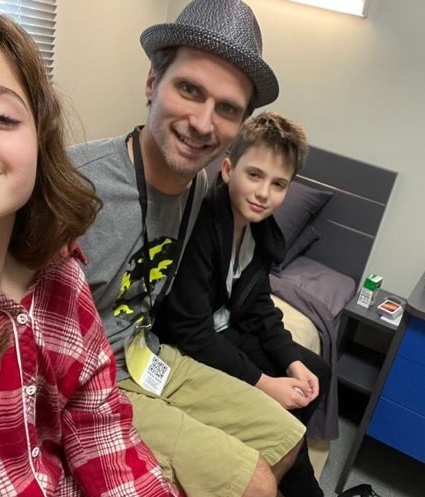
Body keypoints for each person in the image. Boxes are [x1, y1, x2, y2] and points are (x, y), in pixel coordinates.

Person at [0, 1, 178, 496]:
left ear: (40, 146)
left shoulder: (58, 271)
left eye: (1, 116)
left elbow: (99, 422)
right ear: (152, 87)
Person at [68, 1, 306, 497]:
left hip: (148, 355)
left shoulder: (198, 188)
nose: (203, 123)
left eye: (227, 109)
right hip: (91, 382)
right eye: (189, 89)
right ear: (153, 83)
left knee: (287, 436)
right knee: (254, 483)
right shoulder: (75, 185)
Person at [155, 111, 330, 497]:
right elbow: (191, 332)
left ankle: (277, 463)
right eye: (255, 175)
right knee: (278, 396)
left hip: (228, 329)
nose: (264, 193)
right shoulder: (203, 223)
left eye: (278, 184)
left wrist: (291, 360)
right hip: (189, 342)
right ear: (228, 169)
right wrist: (266, 384)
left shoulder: (261, 230)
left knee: (315, 371)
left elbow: (261, 305)